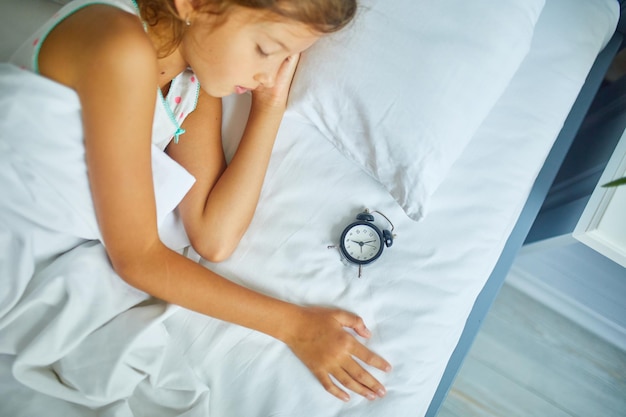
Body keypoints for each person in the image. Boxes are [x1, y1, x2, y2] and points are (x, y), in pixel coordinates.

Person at [4, 0, 391, 404]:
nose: (267, 74)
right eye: (265, 49)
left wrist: (270, 106)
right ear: (194, 4)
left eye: (285, 58)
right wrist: (295, 326)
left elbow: (213, 236)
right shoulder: (117, 43)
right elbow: (137, 258)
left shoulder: (188, 86)